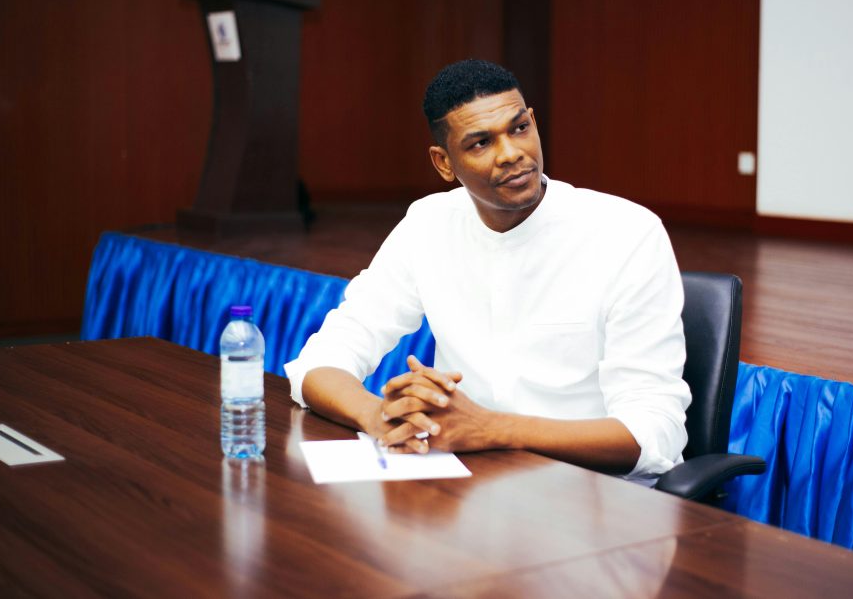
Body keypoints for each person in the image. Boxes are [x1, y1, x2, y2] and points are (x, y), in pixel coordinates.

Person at [285, 59, 690, 484]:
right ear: (444, 163)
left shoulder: (626, 233)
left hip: (596, 495)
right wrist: (381, 417)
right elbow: (322, 359)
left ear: (533, 122)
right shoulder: (428, 223)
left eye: (519, 128)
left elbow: (654, 436)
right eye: (480, 143)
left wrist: (491, 429)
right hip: (470, 483)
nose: (512, 153)